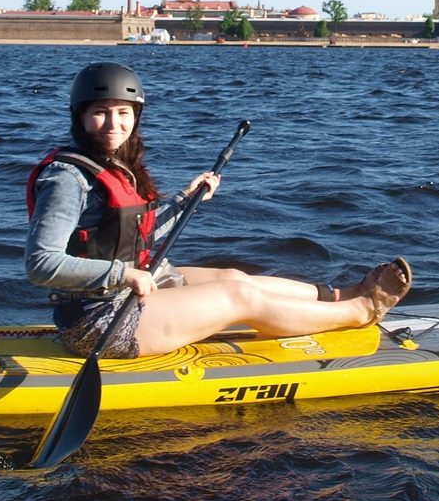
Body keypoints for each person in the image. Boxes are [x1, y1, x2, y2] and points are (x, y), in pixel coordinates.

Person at [25, 62, 413, 359]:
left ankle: (340, 294)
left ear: (136, 116)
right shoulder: (66, 178)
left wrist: (184, 202)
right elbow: (41, 264)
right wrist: (122, 274)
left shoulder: (113, 164)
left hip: (134, 286)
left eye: (123, 113)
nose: (114, 123)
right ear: (80, 115)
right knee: (237, 297)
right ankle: (361, 310)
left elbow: (130, 237)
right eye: (101, 112)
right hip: (98, 321)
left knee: (233, 276)